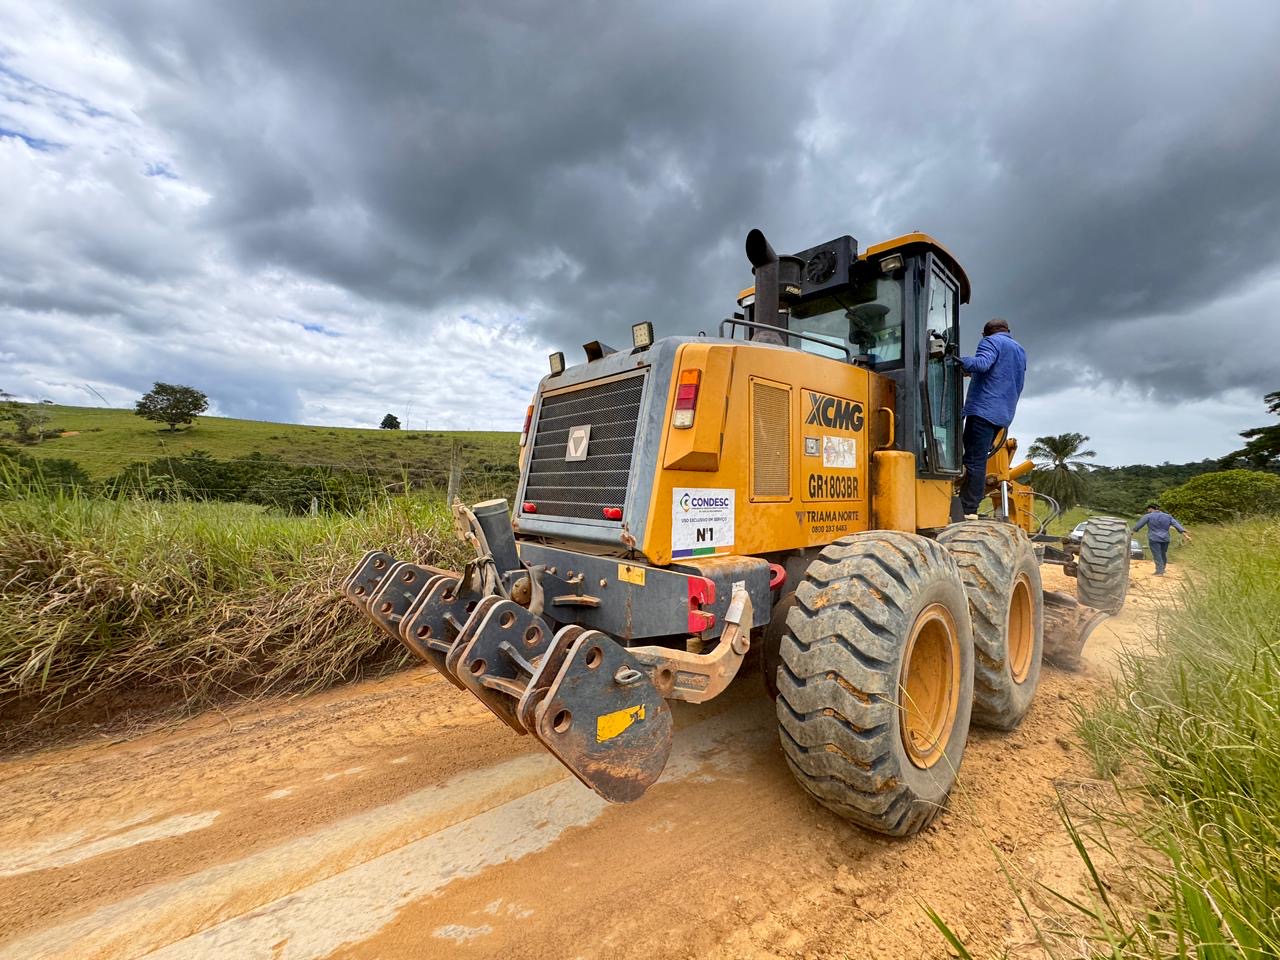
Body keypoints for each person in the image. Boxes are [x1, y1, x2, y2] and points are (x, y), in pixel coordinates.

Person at [956, 318, 1026, 518]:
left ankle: (968, 509)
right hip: (1002, 415)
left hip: (983, 409)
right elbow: (1003, 375)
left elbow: (983, 363)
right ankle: (968, 504)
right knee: (978, 460)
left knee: (974, 461)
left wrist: (958, 361)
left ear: (985, 334)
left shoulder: (991, 342)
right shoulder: (1020, 351)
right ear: (1007, 330)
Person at [1133, 503, 1190, 575]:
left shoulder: (1148, 516)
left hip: (1154, 538)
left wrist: (1133, 531)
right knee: (1163, 553)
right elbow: (1176, 524)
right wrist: (1183, 533)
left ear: (1151, 508)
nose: (1148, 511)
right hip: (1165, 538)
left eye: (1148, 509)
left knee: (1157, 554)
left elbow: (1139, 525)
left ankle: (1159, 571)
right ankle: (1163, 568)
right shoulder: (1168, 516)